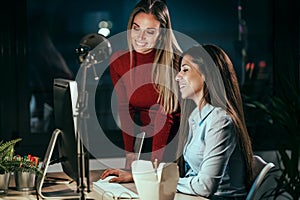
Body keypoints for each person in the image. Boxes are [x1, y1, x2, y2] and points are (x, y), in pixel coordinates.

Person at [101, 44, 254, 199]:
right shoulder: (196, 116)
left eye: (185, 70)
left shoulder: (220, 121)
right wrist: (138, 176)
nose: (177, 76)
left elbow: (205, 187)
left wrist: (152, 179)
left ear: (206, 73)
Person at [109, 0, 182, 169]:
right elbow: (124, 107)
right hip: (145, 143)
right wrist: (130, 154)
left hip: (176, 148)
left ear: (162, 34)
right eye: (136, 28)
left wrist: (154, 166)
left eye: (149, 32)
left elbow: (164, 116)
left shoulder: (176, 64)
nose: (140, 38)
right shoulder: (119, 61)